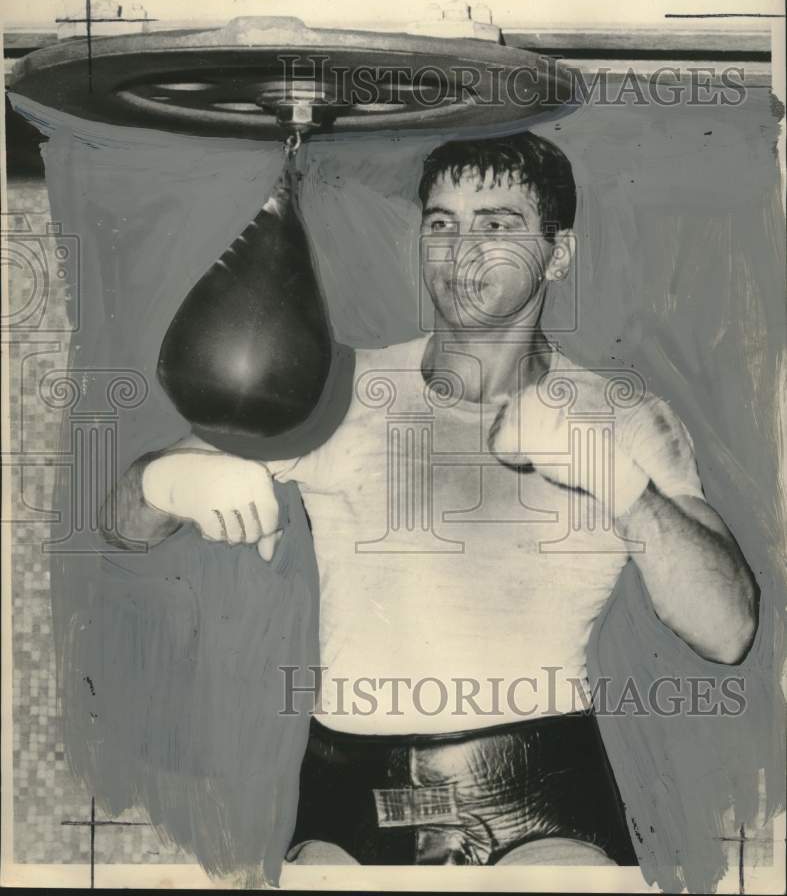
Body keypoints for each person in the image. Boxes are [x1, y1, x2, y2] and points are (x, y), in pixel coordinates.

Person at [101, 132, 757, 868]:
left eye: (496, 225)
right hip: (346, 794)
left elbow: (727, 631)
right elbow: (122, 524)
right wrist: (169, 480)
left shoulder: (624, 418)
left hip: (540, 800)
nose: (460, 249)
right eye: (440, 223)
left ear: (558, 253)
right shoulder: (339, 391)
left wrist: (619, 486)